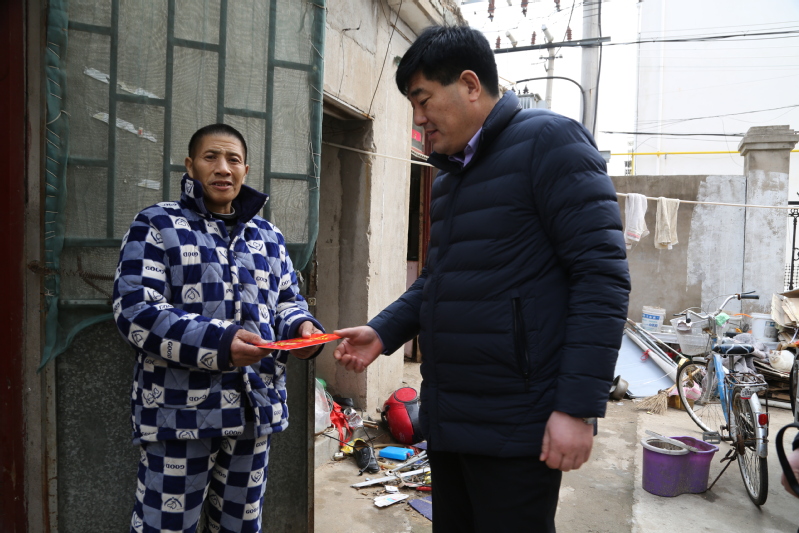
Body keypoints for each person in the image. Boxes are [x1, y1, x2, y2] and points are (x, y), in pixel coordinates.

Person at [333, 25, 630, 532]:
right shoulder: (450, 176)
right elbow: (439, 281)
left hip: (517, 422)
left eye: (423, 99)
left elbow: (601, 278)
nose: (418, 118)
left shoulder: (549, 142)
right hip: (451, 417)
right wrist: (382, 332)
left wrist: (577, 409)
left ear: (470, 84)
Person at [113, 123, 324, 533]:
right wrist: (221, 343)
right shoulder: (157, 224)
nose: (223, 168)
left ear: (246, 170)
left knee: (240, 525)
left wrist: (301, 329)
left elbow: (286, 300)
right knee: (166, 526)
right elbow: (135, 310)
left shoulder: (268, 236)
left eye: (233, 159)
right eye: (211, 157)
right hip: (178, 413)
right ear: (190, 165)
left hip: (254, 408)